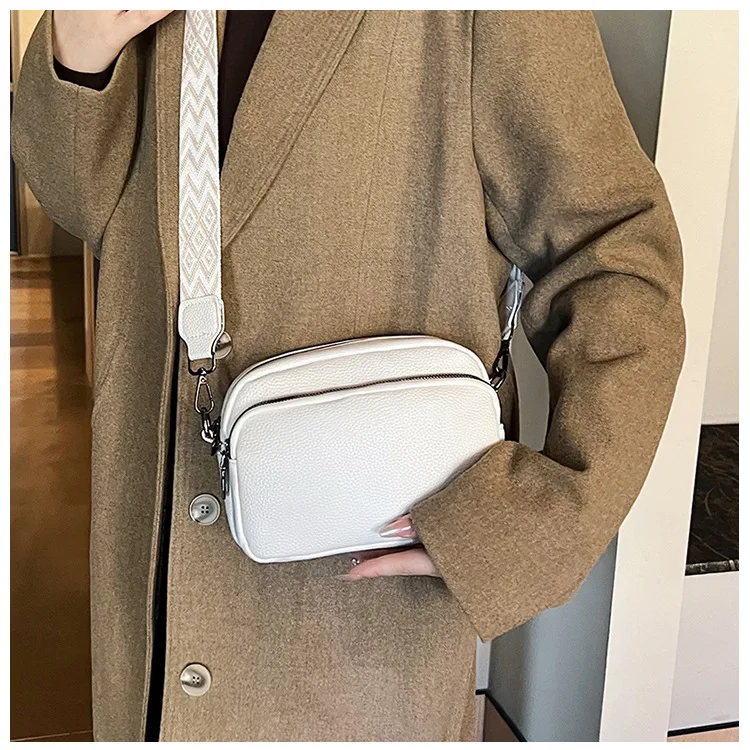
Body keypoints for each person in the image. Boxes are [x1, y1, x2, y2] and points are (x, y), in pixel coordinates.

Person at [11, 10, 686, 742]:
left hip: (351, 632)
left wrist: (545, 519)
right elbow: (87, 205)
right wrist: (79, 53)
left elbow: (613, 253)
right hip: (147, 579)